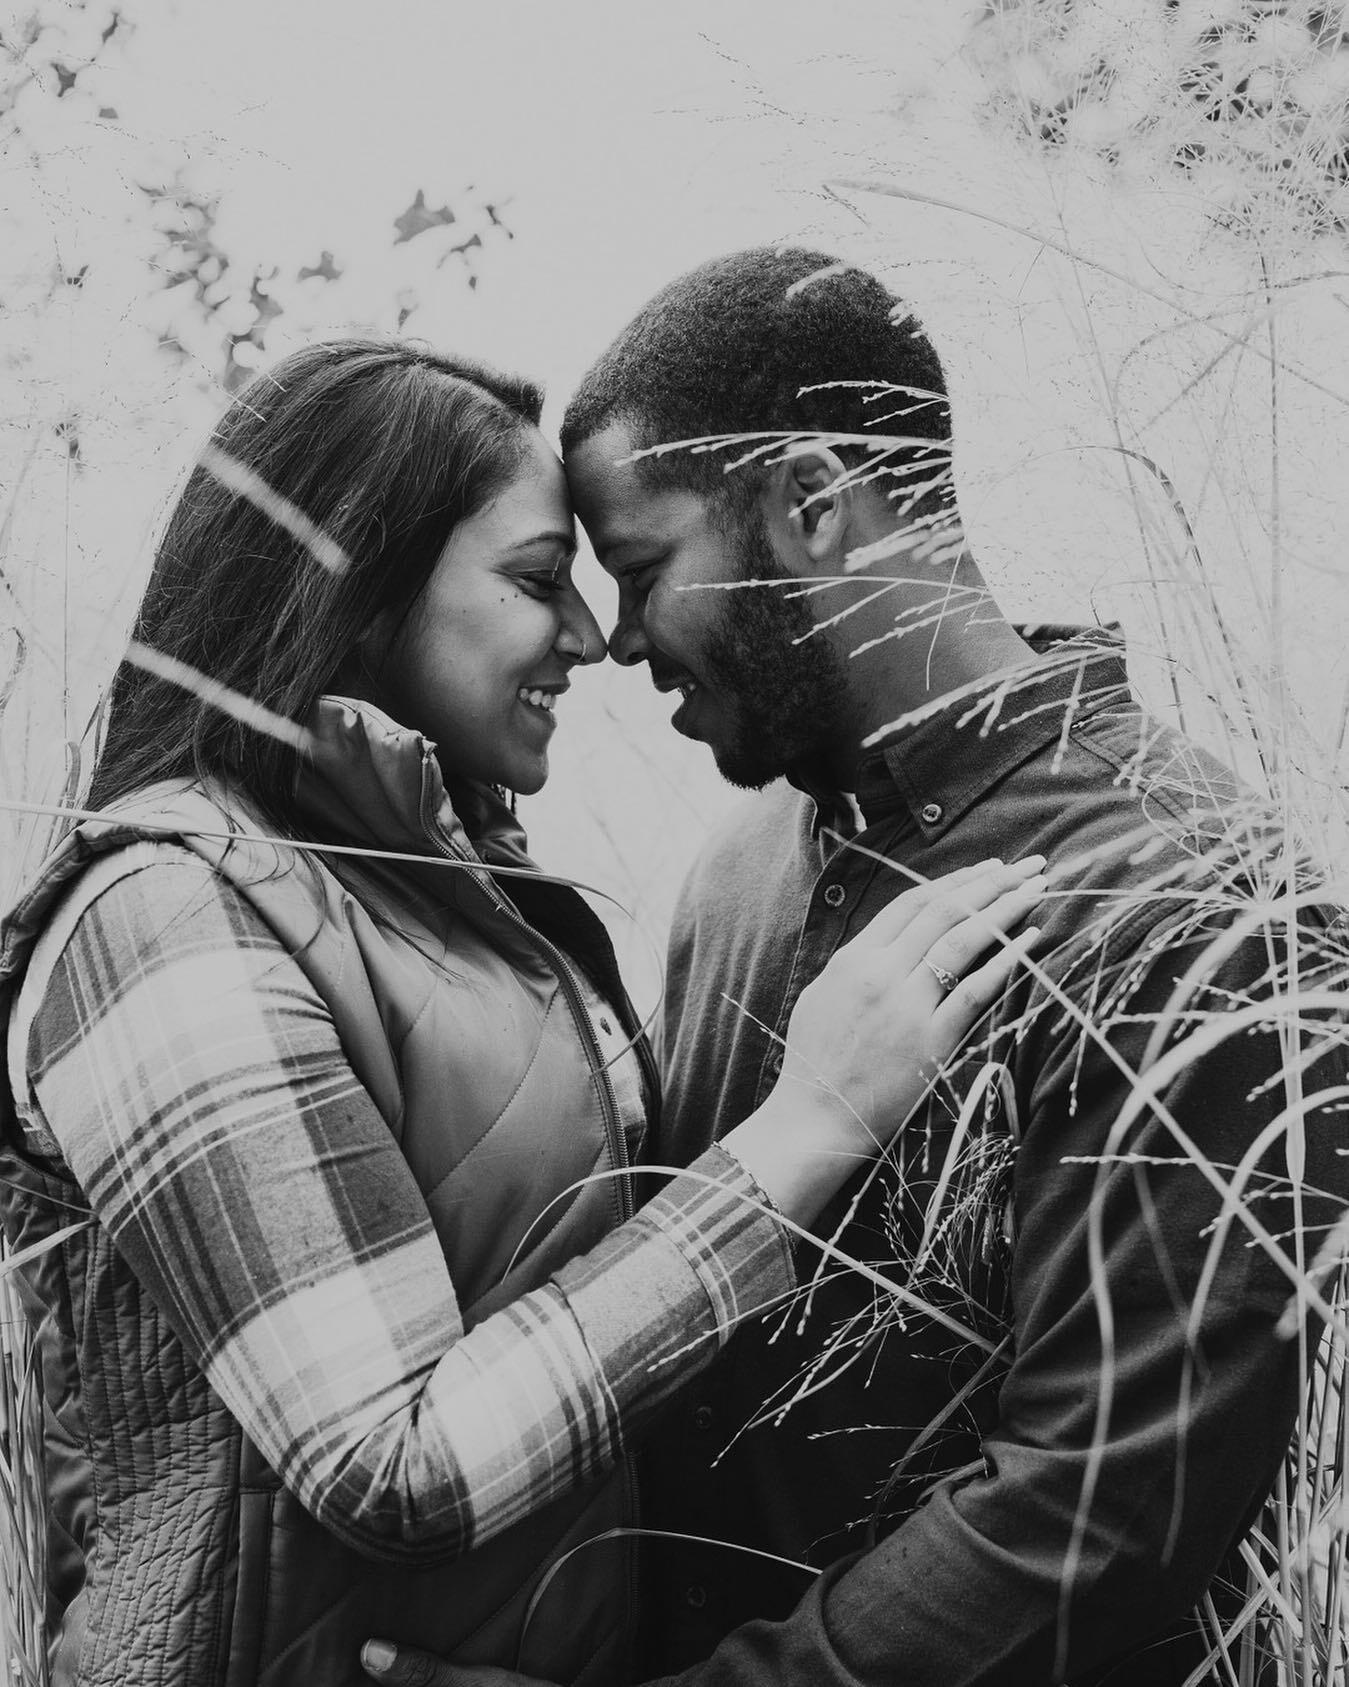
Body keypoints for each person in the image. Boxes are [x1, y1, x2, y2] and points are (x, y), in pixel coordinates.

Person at [361, 251, 1349, 1687]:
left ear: (815, 499)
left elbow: (1096, 1513)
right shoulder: (732, 878)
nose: (619, 641)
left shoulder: (1192, 900)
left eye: (642, 570)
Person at [0, 338, 1046, 1687]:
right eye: (536, 581)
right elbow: (393, 1465)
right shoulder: (163, 917)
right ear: (358, 589)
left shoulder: (468, 904)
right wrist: (806, 1131)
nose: (588, 639)